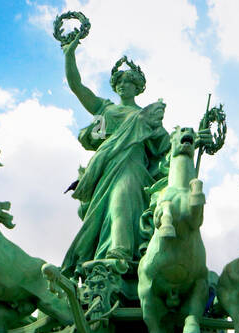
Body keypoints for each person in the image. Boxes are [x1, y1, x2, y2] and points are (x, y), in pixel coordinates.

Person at [60, 33, 170, 275]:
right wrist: (69, 56)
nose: (122, 84)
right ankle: (107, 254)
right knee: (104, 212)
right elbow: (77, 87)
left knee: (121, 201)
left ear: (138, 87)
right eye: (119, 81)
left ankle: (119, 253)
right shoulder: (104, 108)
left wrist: (194, 139)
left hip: (132, 164)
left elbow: (167, 148)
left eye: (128, 81)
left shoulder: (147, 116)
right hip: (106, 165)